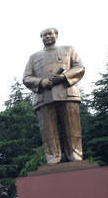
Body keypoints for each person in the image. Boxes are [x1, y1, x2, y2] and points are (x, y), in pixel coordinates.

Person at [22, 27, 86, 164]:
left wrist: (64, 76)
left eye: (49, 34)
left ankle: (75, 156)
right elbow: (26, 78)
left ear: (56, 35)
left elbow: (79, 67)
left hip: (68, 93)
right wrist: (42, 82)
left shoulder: (68, 50)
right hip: (44, 96)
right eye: (43, 35)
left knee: (72, 128)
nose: (46, 37)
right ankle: (52, 158)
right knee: (48, 131)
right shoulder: (33, 58)